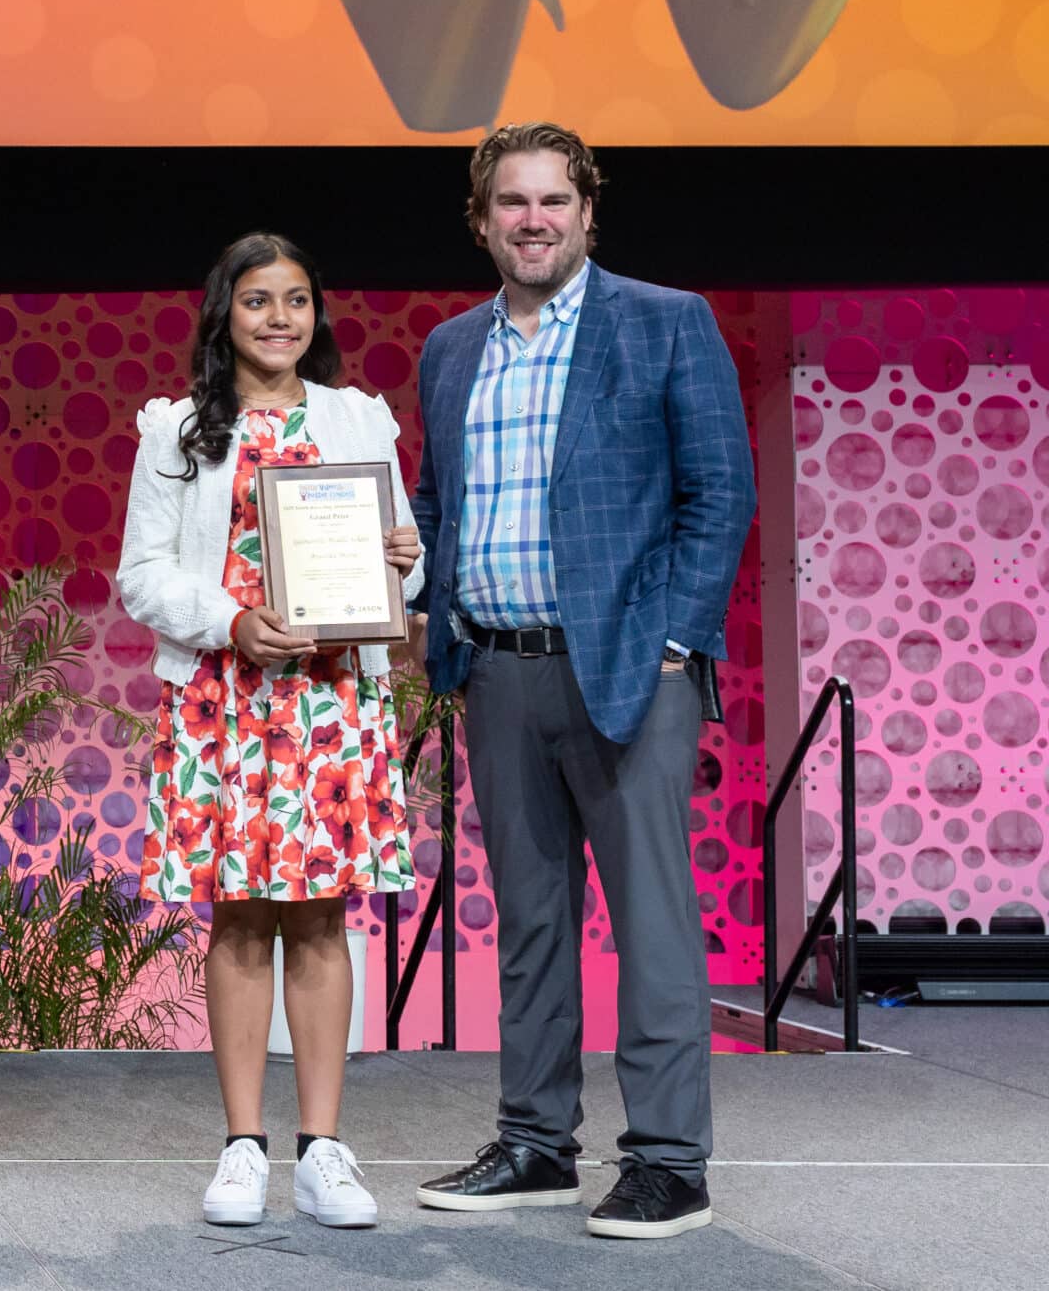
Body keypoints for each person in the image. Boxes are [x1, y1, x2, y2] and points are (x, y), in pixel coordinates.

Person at [409, 124, 754, 1240]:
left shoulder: (663, 322)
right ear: (481, 220)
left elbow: (720, 496)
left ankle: (666, 1162)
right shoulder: (451, 349)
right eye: (511, 202)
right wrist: (409, 573)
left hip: (625, 674)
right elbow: (438, 509)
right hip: (497, 671)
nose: (533, 220)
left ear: (587, 210)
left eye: (553, 200)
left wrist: (674, 641)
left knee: (652, 921)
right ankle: (534, 1144)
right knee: (530, 923)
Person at [116, 233, 422, 1230]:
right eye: (258, 301)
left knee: (323, 915)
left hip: (332, 698)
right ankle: (242, 1146)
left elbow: (398, 572)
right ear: (225, 314)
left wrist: (405, 559)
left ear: (315, 314)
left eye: (295, 300)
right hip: (224, 695)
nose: (279, 318)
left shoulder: (356, 417)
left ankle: (321, 1149)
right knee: (240, 916)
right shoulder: (176, 430)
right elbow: (141, 575)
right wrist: (233, 622)